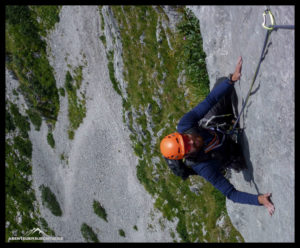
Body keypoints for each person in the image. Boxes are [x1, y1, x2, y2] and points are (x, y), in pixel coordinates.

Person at [160, 56, 275, 216]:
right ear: (186, 155)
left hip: (215, 128)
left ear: (181, 134)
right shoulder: (202, 167)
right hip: (228, 153)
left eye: (186, 138)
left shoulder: (185, 125)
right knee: (241, 159)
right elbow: (231, 194)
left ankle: (230, 118)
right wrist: (259, 200)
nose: (192, 140)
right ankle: (235, 154)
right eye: (189, 146)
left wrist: (231, 80)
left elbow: (210, 100)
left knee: (221, 82)